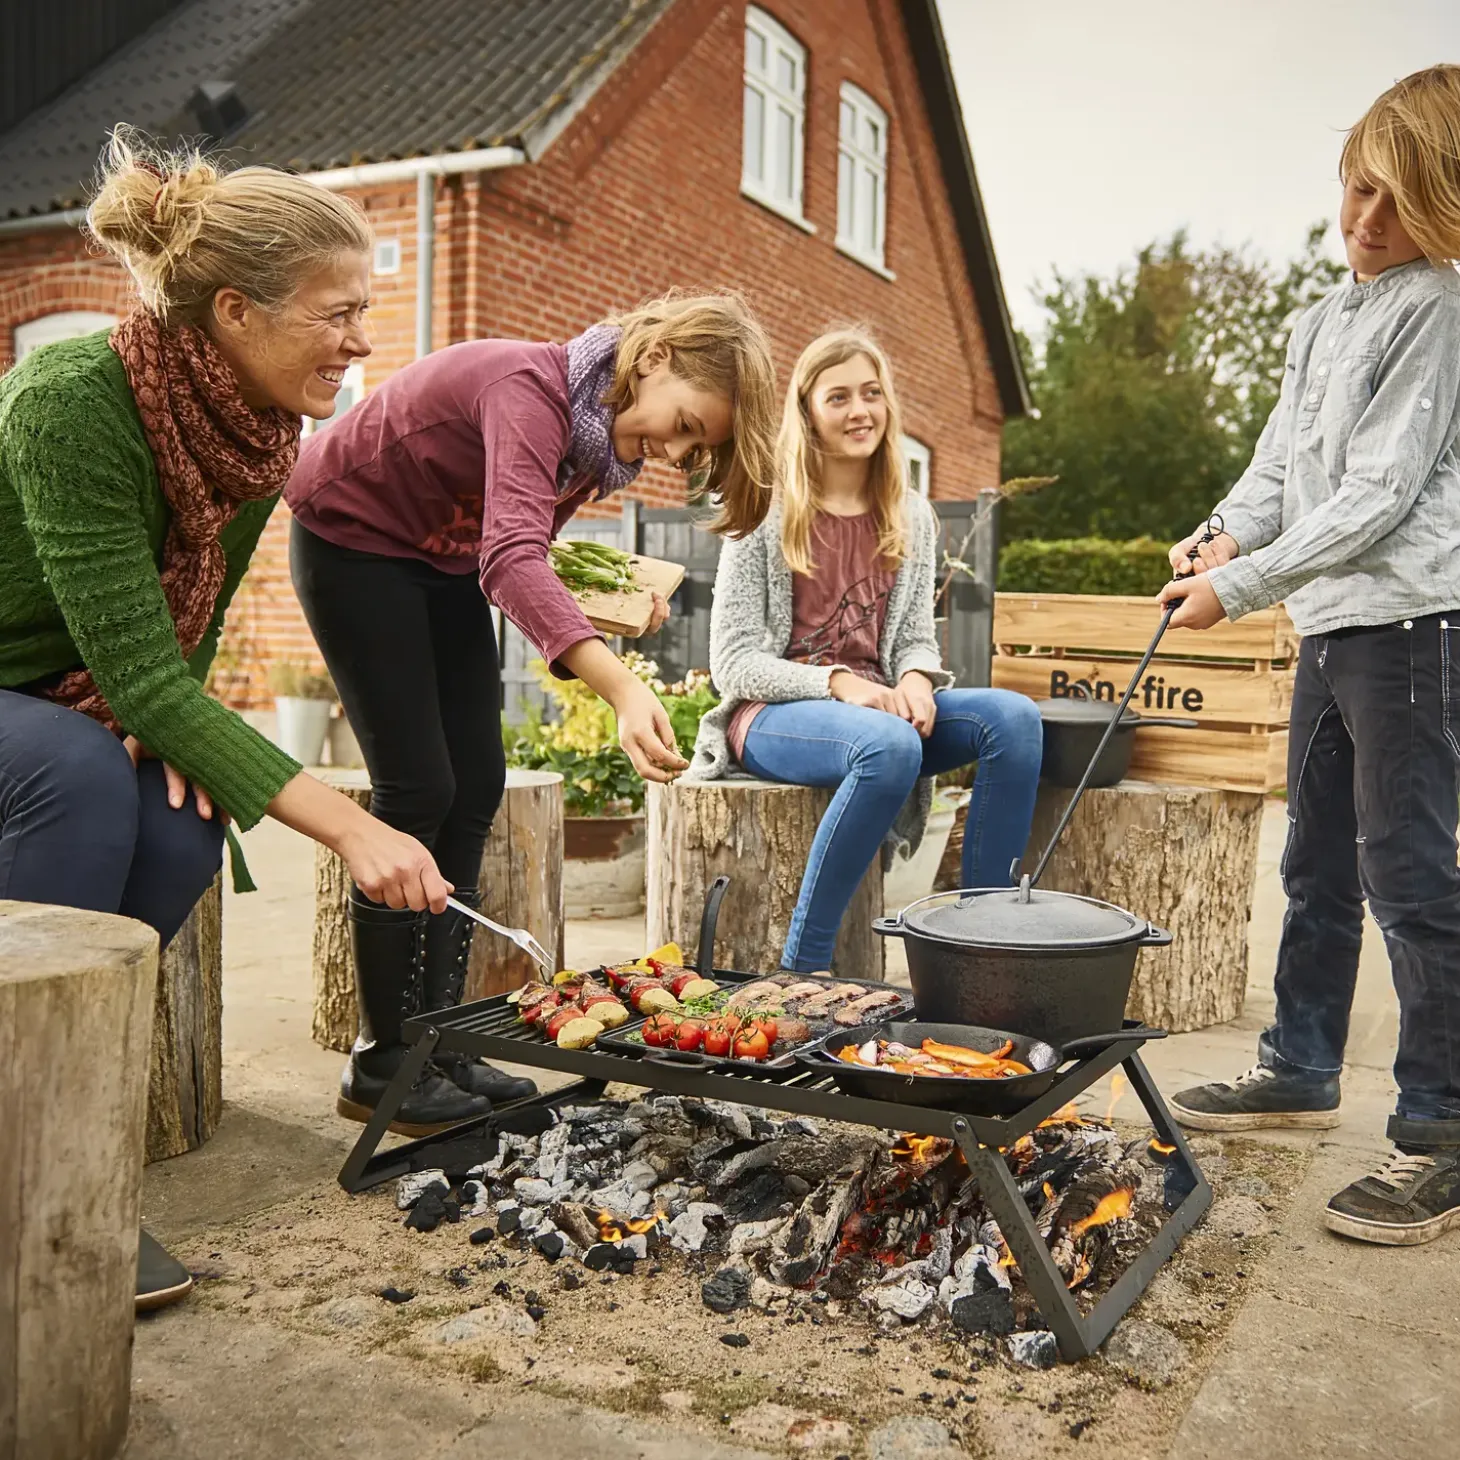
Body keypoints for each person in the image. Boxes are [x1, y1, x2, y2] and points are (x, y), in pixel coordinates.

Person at [0, 130, 461, 1309]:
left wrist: (173, 740)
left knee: (176, 825)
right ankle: (19, 1184)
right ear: (234, 311)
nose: (362, 341)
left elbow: (179, 663)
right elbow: (147, 688)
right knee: (82, 782)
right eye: (338, 311)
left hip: (57, 690)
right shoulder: (71, 404)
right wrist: (354, 832)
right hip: (35, 708)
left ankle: (65, 1167)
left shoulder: (254, 435)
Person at [284, 290, 779, 1123]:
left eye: (695, 445)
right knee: (417, 792)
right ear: (652, 359)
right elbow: (511, 558)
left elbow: (518, 549)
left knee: (475, 782)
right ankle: (380, 1063)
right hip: (353, 541)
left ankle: (437, 1042)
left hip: (436, 562)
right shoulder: (529, 389)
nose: (674, 449)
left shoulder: (592, 445)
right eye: (687, 423)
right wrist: (619, 684)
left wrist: (608, 612)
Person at [1162, 65, 1460, 1247]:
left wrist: (1233, 586)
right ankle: (1296, 1063)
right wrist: (1223, 530)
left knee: (1408, 873)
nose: (1363, 221)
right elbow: (1282, 470)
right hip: (1328, 622)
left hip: (1409, 625)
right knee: (1313, 865)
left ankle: (1438, 1130)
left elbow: (1381, 493)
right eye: (1355, 190)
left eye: (1393, 201)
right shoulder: (1320, 318)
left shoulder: (1437, 308)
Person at [686, 329, 1043, 972]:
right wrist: (838, 684)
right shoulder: (764, 507)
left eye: (872, 394)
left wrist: (914, 678)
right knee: (890, 744)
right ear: (807, 411)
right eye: (840, 397)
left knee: (1013, 720)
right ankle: (805, 967)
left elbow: (911, 636)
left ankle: (982, 953)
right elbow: (733, 663)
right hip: (772, 715)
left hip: (878, 711)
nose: (860, 412)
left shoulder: (909, 513)